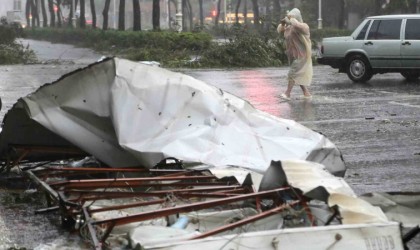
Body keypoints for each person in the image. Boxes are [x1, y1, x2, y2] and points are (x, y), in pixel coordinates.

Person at [277, 8, 313, 100]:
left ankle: (287, 93)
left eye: (292, 16)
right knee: (298, 74)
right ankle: (306, 93)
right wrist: (283, 23)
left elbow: (296, 24)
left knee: (292, 73)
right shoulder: (290, 28)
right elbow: (280, 30)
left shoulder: (304, 26)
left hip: (302, 56)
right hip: (293, 55)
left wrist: (291, 18)